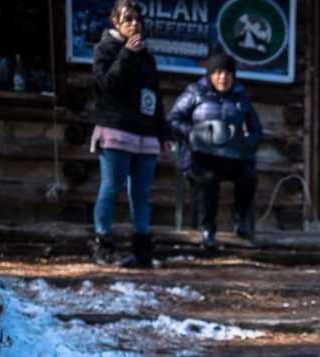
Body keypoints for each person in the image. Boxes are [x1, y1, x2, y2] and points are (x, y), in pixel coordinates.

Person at [89, 0, 173, 268]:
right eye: (128, 19)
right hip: (116, 129)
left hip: (145, 134)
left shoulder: (147, 57)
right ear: (115, 22)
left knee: (141, 193)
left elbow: (154, 97)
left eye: (137, 19)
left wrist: (164, 133)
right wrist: (125, 53)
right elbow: (105, 85)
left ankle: (143, 250)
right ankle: (103, 245)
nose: (134, 24)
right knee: (111, 187)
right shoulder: (106, 48)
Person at [169, 52, 262, 249]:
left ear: (233, 76)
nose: (223, 77)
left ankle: (239, 219)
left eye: (228, 73)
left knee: (248, 175)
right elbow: (174, 119)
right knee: (208, 180)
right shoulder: (195, 92)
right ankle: (208, 228)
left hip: (231, 156)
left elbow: (256, 128)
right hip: (199, 156)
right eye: (218, 72)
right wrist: (194, 133)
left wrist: (248, 144)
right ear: (210, 74)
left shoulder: (241, 97)